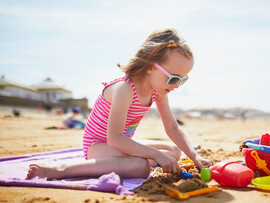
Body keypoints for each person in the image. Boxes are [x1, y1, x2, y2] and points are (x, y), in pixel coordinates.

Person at [26, 28, 213, 180]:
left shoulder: (158, 91)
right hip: (99, 146)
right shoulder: (124, 89)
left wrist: (194, 156)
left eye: (183, 80)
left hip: (121, 145)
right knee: (141, 167)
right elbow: (114, 139)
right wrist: (154, 156)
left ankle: (144, 160)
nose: (178, 86)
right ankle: (61, 169)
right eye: (173, 79)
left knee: (173, 151)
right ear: (150, 67)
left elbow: (172, 127)